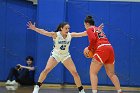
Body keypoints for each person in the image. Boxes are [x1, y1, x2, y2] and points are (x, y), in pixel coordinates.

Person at [27, 21, 89, 93]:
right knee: (46, 70)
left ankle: (81, 90)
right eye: (66, 28)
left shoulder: (70, 35)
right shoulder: (56, 35)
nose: (68, 30)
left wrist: (95, 30)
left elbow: (83, 34)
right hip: (56, 55)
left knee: (75, 73)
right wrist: (35, 29)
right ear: (61, 28)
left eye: (68, 28)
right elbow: (44, 32)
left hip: (65, 55)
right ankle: (37, 87)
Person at [83, 16, 122, 93]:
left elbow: (93, 39)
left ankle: (94, 92)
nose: (85, 27)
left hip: (102, 49)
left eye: (84, 25)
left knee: (92, 73)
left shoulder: (89, 29)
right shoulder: (98, 29)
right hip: (110, 48)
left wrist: (89, 48)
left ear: (87, 24)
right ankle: (119, 91)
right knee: (111, 74)